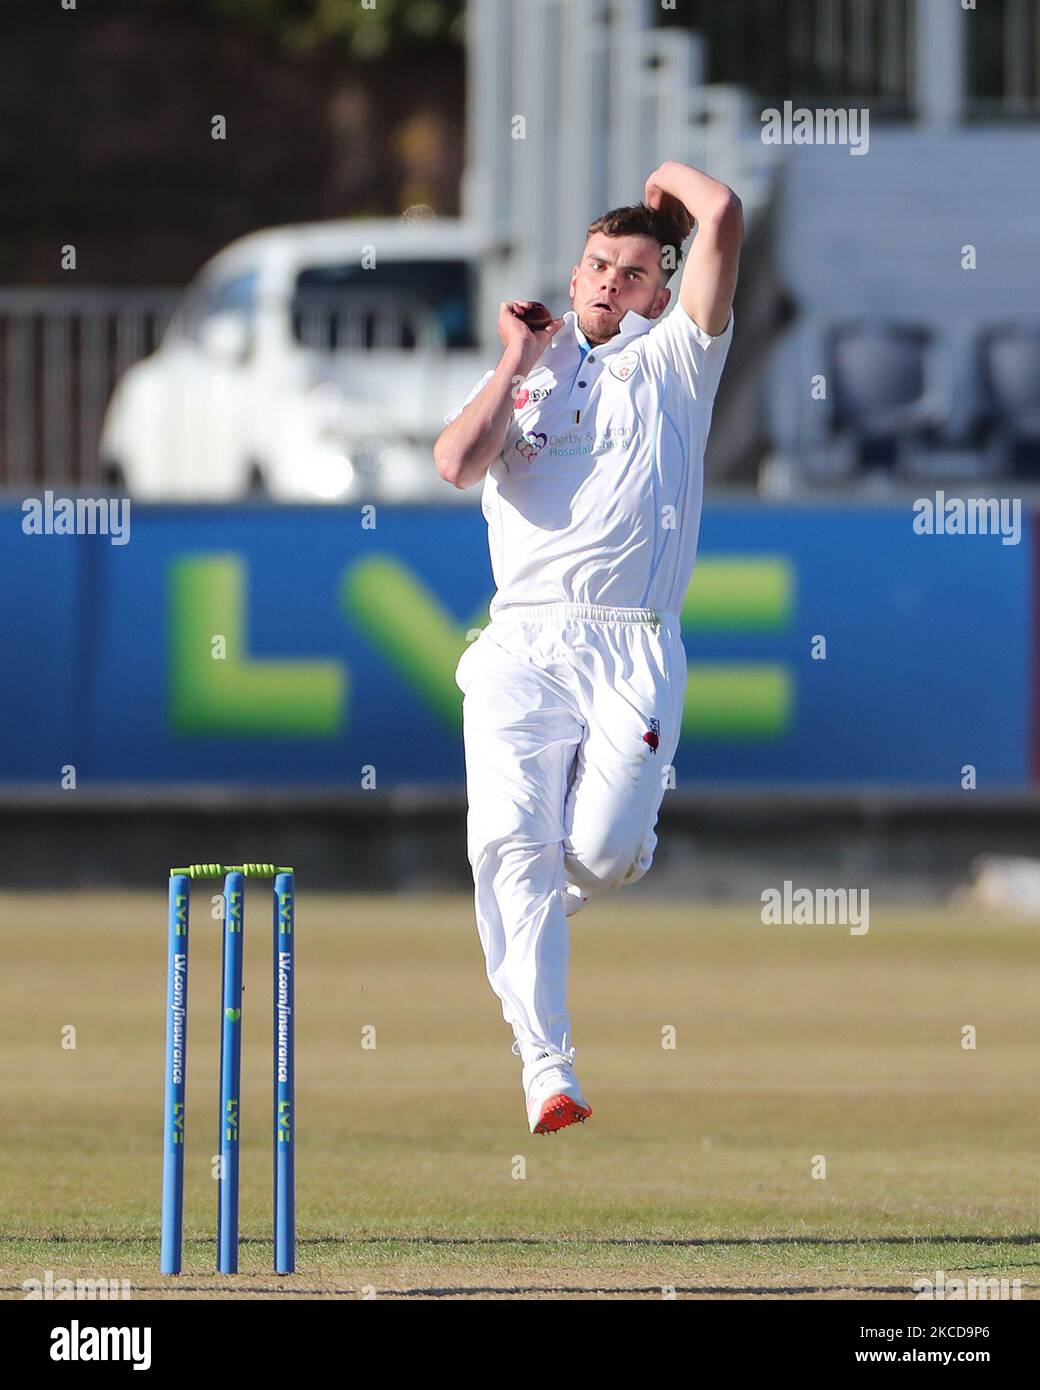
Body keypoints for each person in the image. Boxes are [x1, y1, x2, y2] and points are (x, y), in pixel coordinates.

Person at [434, 160, 743, 1134]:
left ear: (663, 290)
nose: (613, 280)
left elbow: (723, 214)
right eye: (598, 265)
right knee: (508, 842)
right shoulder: (526, 371)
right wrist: (511, 364)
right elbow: (452, 462)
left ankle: (592, 866)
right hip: (520, 641)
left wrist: (667, 182)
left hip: (630, 645)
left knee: (601, 855)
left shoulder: (677, 362)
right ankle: (545, 1067)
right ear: (572, 278)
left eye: (637, 271)